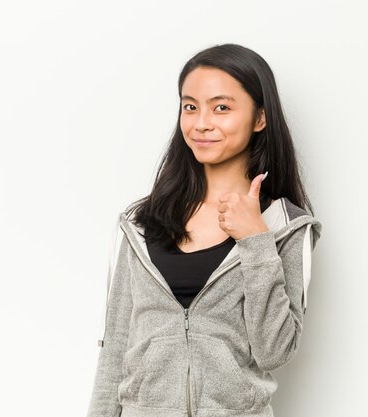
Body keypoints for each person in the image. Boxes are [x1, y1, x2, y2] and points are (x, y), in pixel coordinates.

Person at [86, 43, 323, 417]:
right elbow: (116, 346)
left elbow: (274, 351)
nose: (201, 123)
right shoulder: (140, 222)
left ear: (260, 118)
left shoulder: (285, 227)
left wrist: (255, 241)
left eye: (222, 107)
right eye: (190, 106)